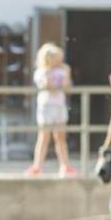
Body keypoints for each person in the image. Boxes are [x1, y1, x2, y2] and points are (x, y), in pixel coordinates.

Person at [28, 43, 73, 177]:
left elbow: (66, 87)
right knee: (44, 136)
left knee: (60, 137)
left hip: (59, 105)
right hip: (46, 106)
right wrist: (48, 72)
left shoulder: (62, 70)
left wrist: (66, 74)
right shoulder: (40, 72)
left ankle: (65, 166)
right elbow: (48, 85)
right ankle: (37, 166)